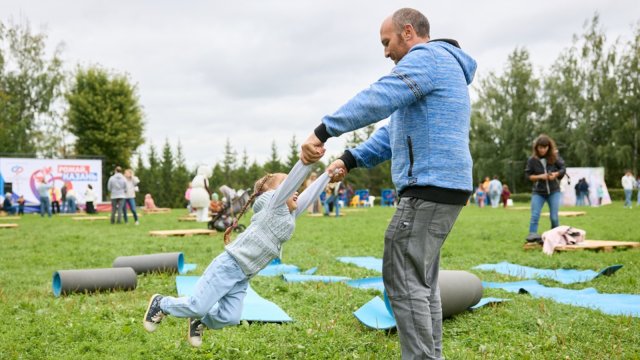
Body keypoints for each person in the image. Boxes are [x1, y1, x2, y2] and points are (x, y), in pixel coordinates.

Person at [300, 8, 476, 359]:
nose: (385, 53)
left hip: (427, 187)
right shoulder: (442, 68)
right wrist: (350, 159)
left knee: (403, 279)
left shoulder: (428, 58)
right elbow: (393, 133)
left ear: (408, 32)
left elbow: (379, 97)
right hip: (446, 186)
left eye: (387, 42)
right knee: (422, 283)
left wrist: (323, 130)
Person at [142, 160, 330, 347]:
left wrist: (328, 174)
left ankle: (200, 322)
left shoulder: (287, 215)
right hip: (228, 265)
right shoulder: (272, 206)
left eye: (296, 188)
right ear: (274, 193)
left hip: (243, 276)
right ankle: (161, 303)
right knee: (197, 306)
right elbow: (291, 184)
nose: (295, 190)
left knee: (230, 317)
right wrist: (306, 161)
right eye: (290, 187)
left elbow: (308, 196)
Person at [524, 135, 566, 242]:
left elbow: (563, 169)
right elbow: (528, 176)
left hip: (554, 191)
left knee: (554, 217)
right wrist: (540, 176)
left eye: (545, 147)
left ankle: (555, 237)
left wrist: (556, 174)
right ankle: (532, 236)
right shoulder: (532, 160)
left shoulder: (555, 157)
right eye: (540, 147)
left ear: (549, 147)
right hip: (538, 192)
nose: (542, 150)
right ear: (536, 147)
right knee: (535, 215)